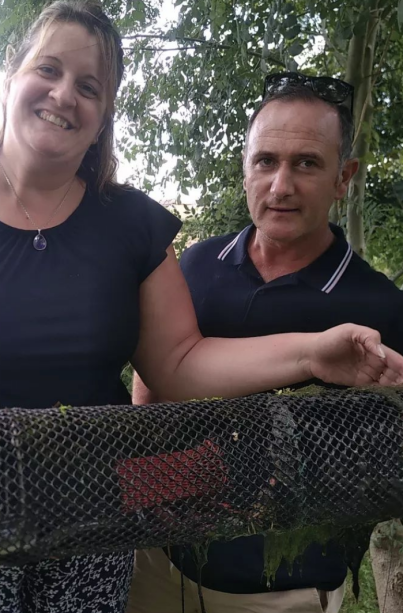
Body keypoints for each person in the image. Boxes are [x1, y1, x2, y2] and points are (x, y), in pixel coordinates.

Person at [0, 5, 401, 609]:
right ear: (9, 79)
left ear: (103, 116)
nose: (64, 94)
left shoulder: (133, 226)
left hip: (88, 537)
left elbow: (178, 364)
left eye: (89, 86)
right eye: (48, 69)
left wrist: (313, 352)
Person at [129, 72, 403, 613]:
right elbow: (151, 381)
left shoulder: (379, 308)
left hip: (285, 591)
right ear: (246, 168)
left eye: (306, 163)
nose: (281, 186)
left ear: (343, 178)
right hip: (160, 564)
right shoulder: (197, 264)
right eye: (266, 161)